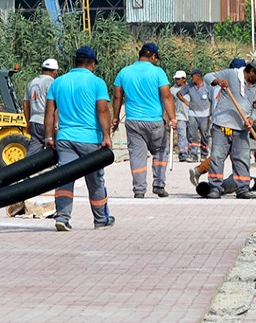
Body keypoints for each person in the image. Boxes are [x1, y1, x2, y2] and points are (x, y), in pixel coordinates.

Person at [43, 46, 114, 231]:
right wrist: (106, 136)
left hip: (65, 139)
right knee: (95, 180)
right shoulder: (97, 82)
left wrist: (49, 136)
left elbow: (49, 112)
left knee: (65, 179)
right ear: (92, 64)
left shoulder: (58, 83)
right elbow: (102, 110)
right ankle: (100, 220)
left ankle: (63, 218)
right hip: (90, 139)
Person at [112, 42, 177, 198]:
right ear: (153, 56)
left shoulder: (124, 72)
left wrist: (115, 117)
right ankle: (159, 185)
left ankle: (139, 190)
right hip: (154, 121)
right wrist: (173, 118)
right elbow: (166, 96)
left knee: (137, 156)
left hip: (133, 121)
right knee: (161, 150)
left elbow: (117, 96)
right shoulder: (158, 72)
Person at [202, 59, 256, 199]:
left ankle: (243, 188)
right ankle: (215, 187)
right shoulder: (231, 74)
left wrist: (251, 117)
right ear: (252, 71)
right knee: (217, 156)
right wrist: (218, 81)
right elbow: (208, 76)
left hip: (242, 128)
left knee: (242, 158)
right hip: (222, 125)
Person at [189, 58, 247, 186]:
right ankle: (215, 179)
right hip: (228, 124)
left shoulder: (216, 86)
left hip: (217, 122)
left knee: (221, 154)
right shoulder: (232, 86)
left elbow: (211, 103)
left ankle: (200, 171)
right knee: (231, 155)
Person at [23, 58, 58, 155]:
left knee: (32, 153)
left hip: (34, 121)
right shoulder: (52, 82)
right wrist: (56, 123)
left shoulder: (32, 82)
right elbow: (54, 104)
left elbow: (25, 104)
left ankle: (25, 169)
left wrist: (28, 122)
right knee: (60, 147)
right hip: (46, 122)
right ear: (54, 72)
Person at [177, 68, 212, 162]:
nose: (191, 78)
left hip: (205, 114)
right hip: (192, 114)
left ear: (198, 77)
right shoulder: (189, 86)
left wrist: (211, 114)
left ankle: (204, 153)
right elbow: (179, 94)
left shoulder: (207, 87)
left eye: (192, 76)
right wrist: (186, 102)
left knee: (205, 135)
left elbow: (213, 100)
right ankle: (193, 154)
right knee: (192, 135)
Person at [171, 70, 190, 162]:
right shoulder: (173, 90)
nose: (177, 81)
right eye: (176, 79)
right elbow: (169, 103)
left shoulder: (190, 88)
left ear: (184, 79)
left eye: (179, 79)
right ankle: (183, 152)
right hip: (180, 115)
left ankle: (190, 152)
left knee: (190, 135)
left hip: (191, 115)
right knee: (182, 135)